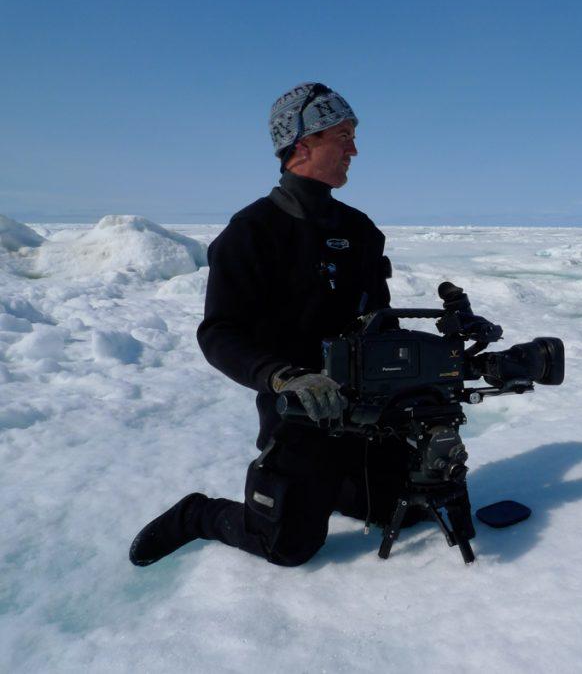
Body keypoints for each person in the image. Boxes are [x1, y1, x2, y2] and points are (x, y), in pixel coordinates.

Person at [129, 82, 418, 568]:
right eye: (342, 136)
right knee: (287, 547)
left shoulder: (361, 230)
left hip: (365, 408)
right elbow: (218, 333)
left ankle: (332, 484)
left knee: (403, 510)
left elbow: (378, 320)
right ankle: (198, 515)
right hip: (298, 412)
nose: (354, 148)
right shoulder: (252, 231)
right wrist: (283, 376)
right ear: (300, 146)